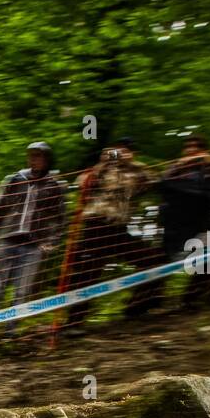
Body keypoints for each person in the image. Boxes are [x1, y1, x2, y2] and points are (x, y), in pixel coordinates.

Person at [64, 137, 159, 330]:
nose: (122, 152)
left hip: (118, 228)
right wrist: (104, 161)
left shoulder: (136, 171)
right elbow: (82, 183)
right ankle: (74, 322)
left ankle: (136, 307)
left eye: (127, 150)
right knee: (86, 274)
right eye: (118, 149)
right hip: (95, 226)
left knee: (153, 259)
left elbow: (155, 181)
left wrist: (132, 162)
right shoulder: (102, 168)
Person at [0, 142, 64, 335]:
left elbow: (59, 219)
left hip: (34, 246)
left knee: (22, 292)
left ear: (47, 159)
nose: (34, 159)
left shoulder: (55, 185)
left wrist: (52, 243)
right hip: (8, 241)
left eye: (38, 156)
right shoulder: (15, 179)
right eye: (31, 155)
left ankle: (10, 333)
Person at [150, 134, 210, 312]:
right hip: (175, 222)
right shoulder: (176, 167)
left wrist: (203, 159)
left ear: (202, 149)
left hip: (201, 219)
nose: (190, 150)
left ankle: (191, 299)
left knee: (208, 257)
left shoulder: (209, 165)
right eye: (188, 147)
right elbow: (161, 180)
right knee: (162, 258)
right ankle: (150, 300)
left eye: (195, 147)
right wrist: (182, 164)